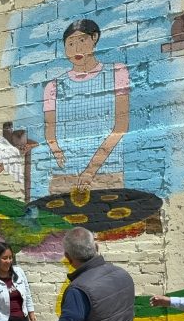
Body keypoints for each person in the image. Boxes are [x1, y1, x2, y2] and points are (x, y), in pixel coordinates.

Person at [43, 19, 130, 193]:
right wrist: (56, 150)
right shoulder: (53, 86)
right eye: (70, 44)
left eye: (82, 40)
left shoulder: (116, 73)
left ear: (94, 38)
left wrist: (90, 170)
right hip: (64, 176)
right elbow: (50, 132)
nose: (76, 49)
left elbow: (120, 126)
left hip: (107, 173)